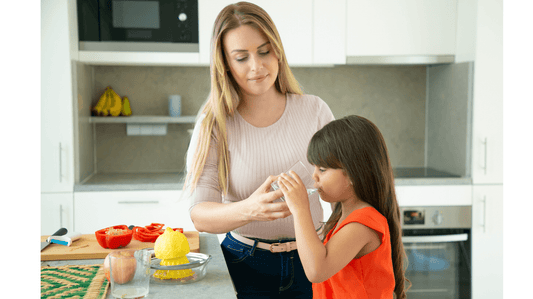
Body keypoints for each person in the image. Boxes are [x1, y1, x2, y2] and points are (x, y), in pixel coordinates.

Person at [184, 2, 335, 298]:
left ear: (277, 50)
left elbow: (345, 188)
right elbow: (200, 214)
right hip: (242, 263)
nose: (257, 66)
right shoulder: (214, 123)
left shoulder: (315, 110)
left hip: (314, 261)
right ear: (226, 63)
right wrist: (252, 209)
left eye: (264, 51)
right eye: (241, 58)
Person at [276, 115, 410, 299]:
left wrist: (300, 209)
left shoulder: (363, 224)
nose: (314, 177)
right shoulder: (343, 216)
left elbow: (317, 271)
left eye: (322, 170)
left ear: (354, 174)